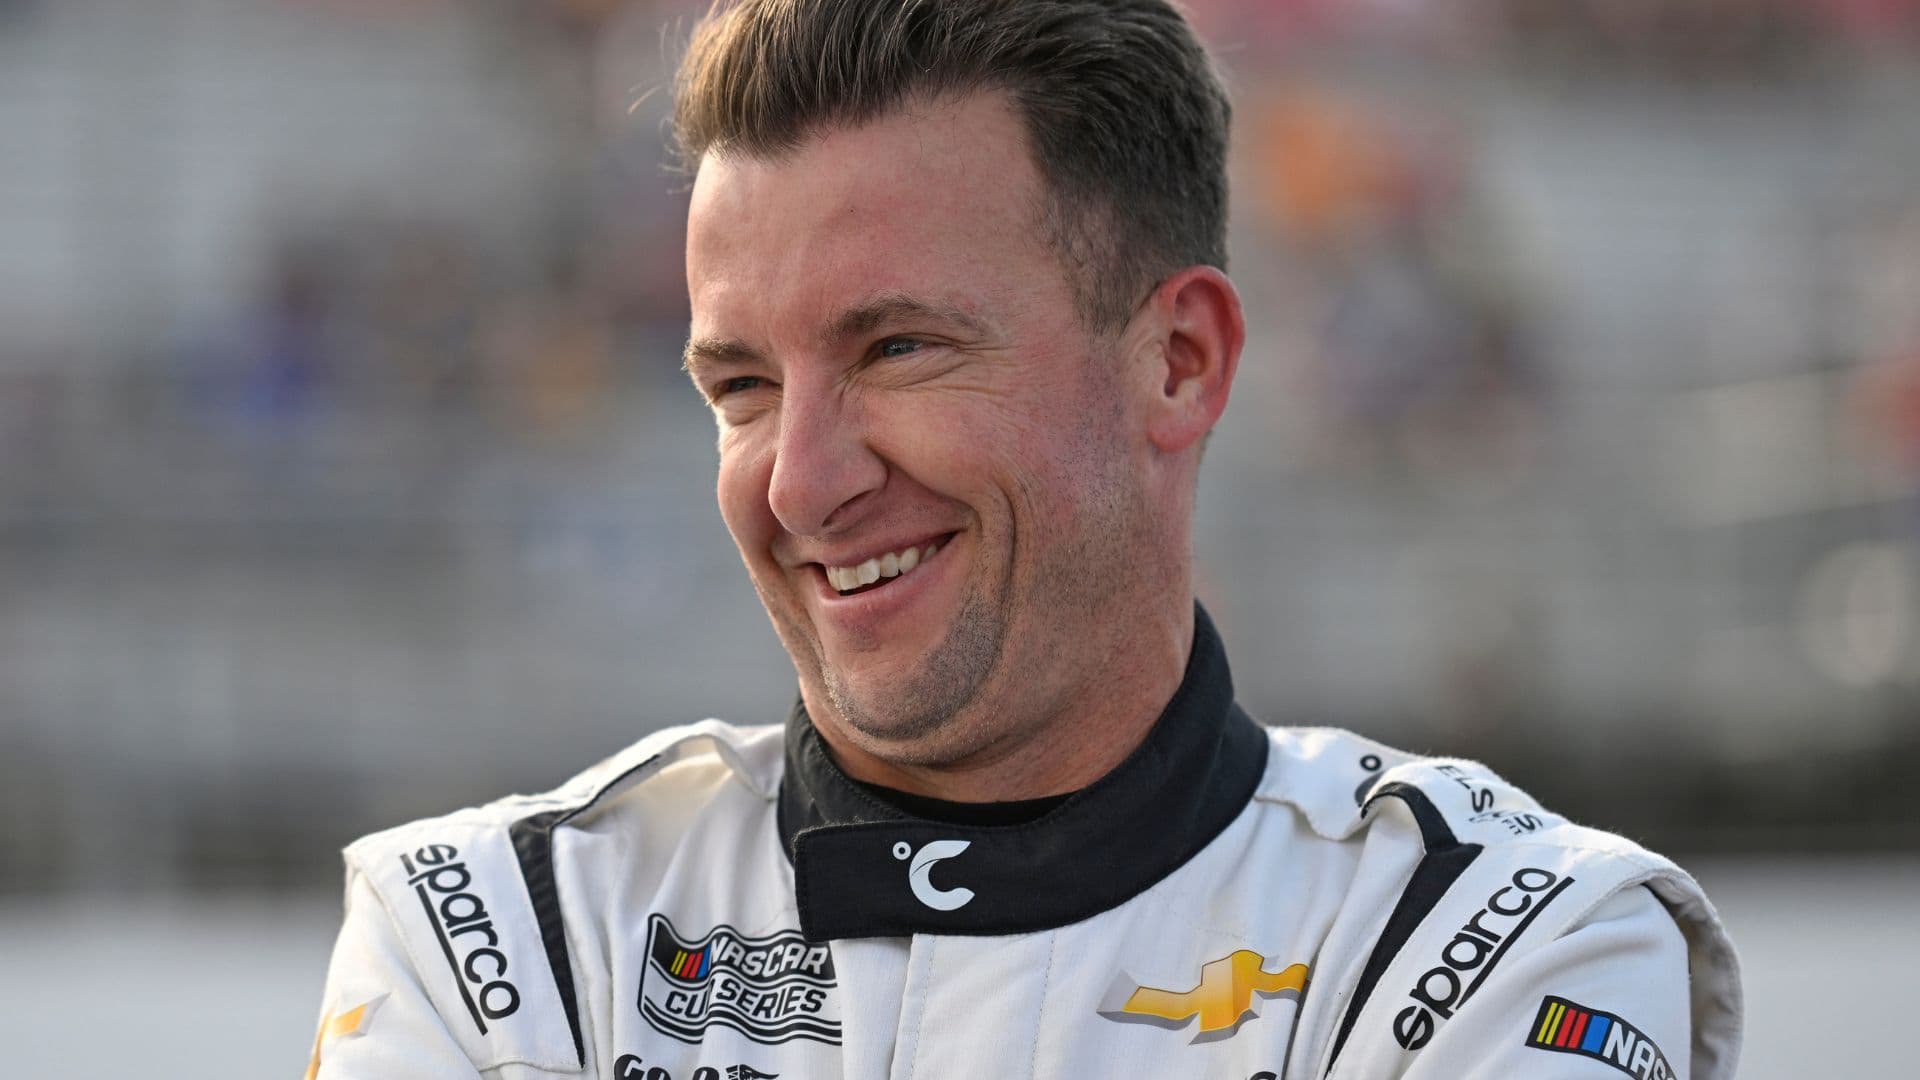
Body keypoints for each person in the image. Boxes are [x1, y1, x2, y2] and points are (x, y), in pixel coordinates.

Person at [308, 2, 1742, 1077]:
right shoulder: (500, 936)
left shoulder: (1501, 938)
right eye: (742, 386)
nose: (801, 483)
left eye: (901, 348)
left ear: (1178, 362)